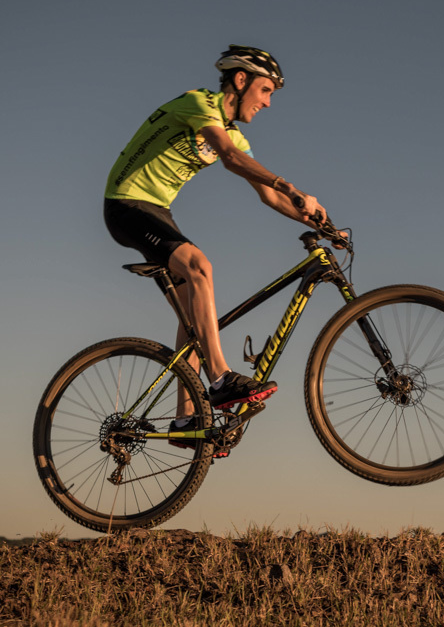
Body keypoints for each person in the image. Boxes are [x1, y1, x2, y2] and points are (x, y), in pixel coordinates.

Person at [103, 44, 334, 432]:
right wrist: (288, 184)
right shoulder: (199, 104)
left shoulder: (236, 136)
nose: (268, 103)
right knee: (200, 266)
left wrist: (323, 225)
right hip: (127, 204)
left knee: (194, 315)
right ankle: (221, 378)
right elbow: (228, 157)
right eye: (266, 91)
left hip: (159, 212)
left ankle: (184, 419)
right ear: (240, 80)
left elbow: (270, 195)